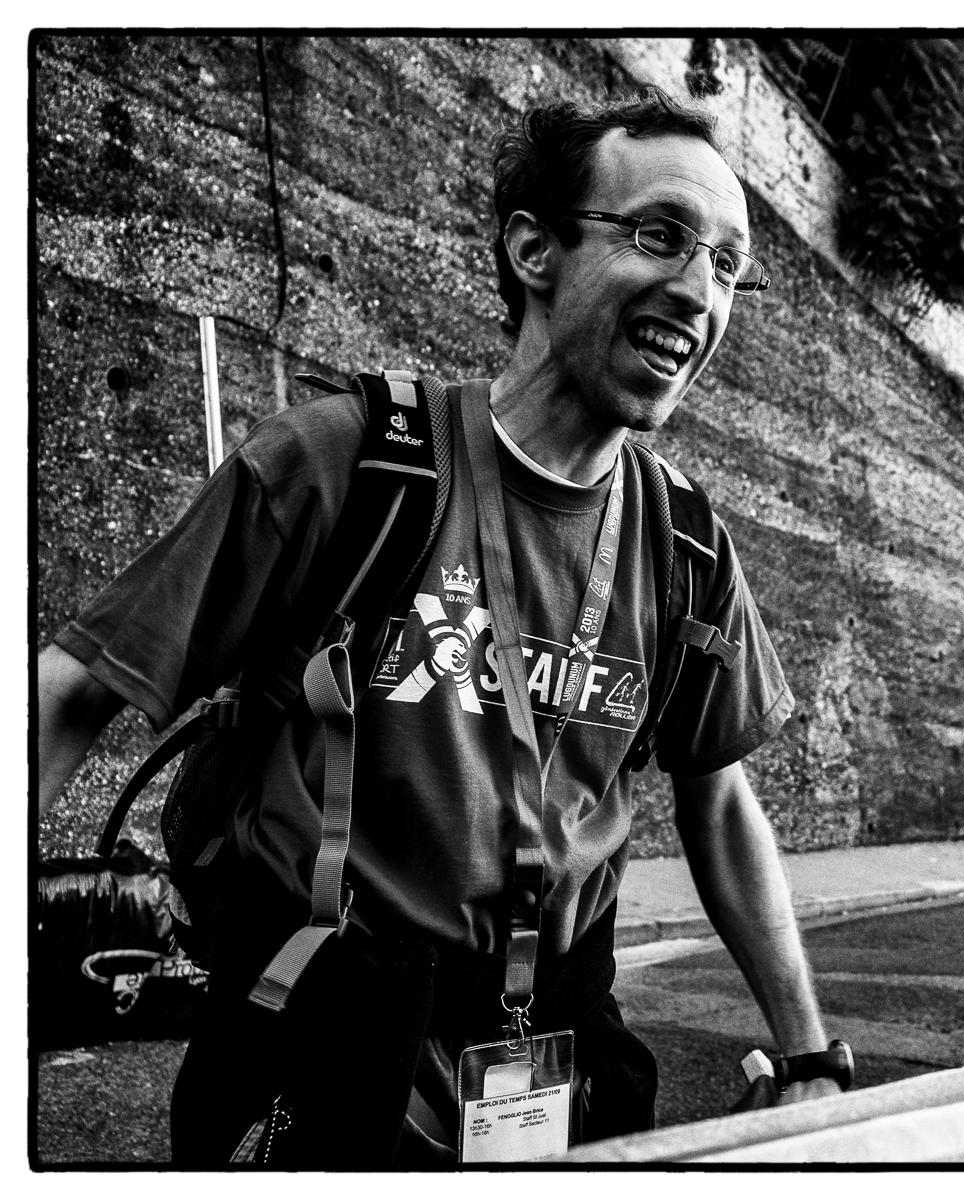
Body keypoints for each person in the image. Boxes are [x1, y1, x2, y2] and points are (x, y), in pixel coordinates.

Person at [35, 88, 843, 1166]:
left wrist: (807, 1057)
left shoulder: (687, 544)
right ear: (533, 250)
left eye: (728, 264)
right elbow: (73, 691)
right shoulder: (347, 464)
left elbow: (720, 795)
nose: (700, 291)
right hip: (320, 1034)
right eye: (661, 235)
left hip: (556, 1046)